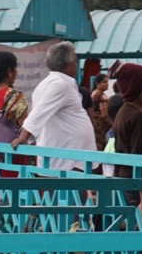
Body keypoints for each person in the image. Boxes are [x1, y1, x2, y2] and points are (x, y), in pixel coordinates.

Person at [10, 41, 95, 171]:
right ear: (68, 64)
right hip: (66, 160)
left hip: (68, 157)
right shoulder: (59, 85)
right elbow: (39, 113)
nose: (77, 64)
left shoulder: (49, 83)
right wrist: (23, 137)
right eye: (75, 61)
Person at [110, 62, 142, 214]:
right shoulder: (138, 117)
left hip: (125, 177)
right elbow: (140, 155)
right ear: (137, 89)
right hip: (140, 183)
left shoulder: (123, 112)